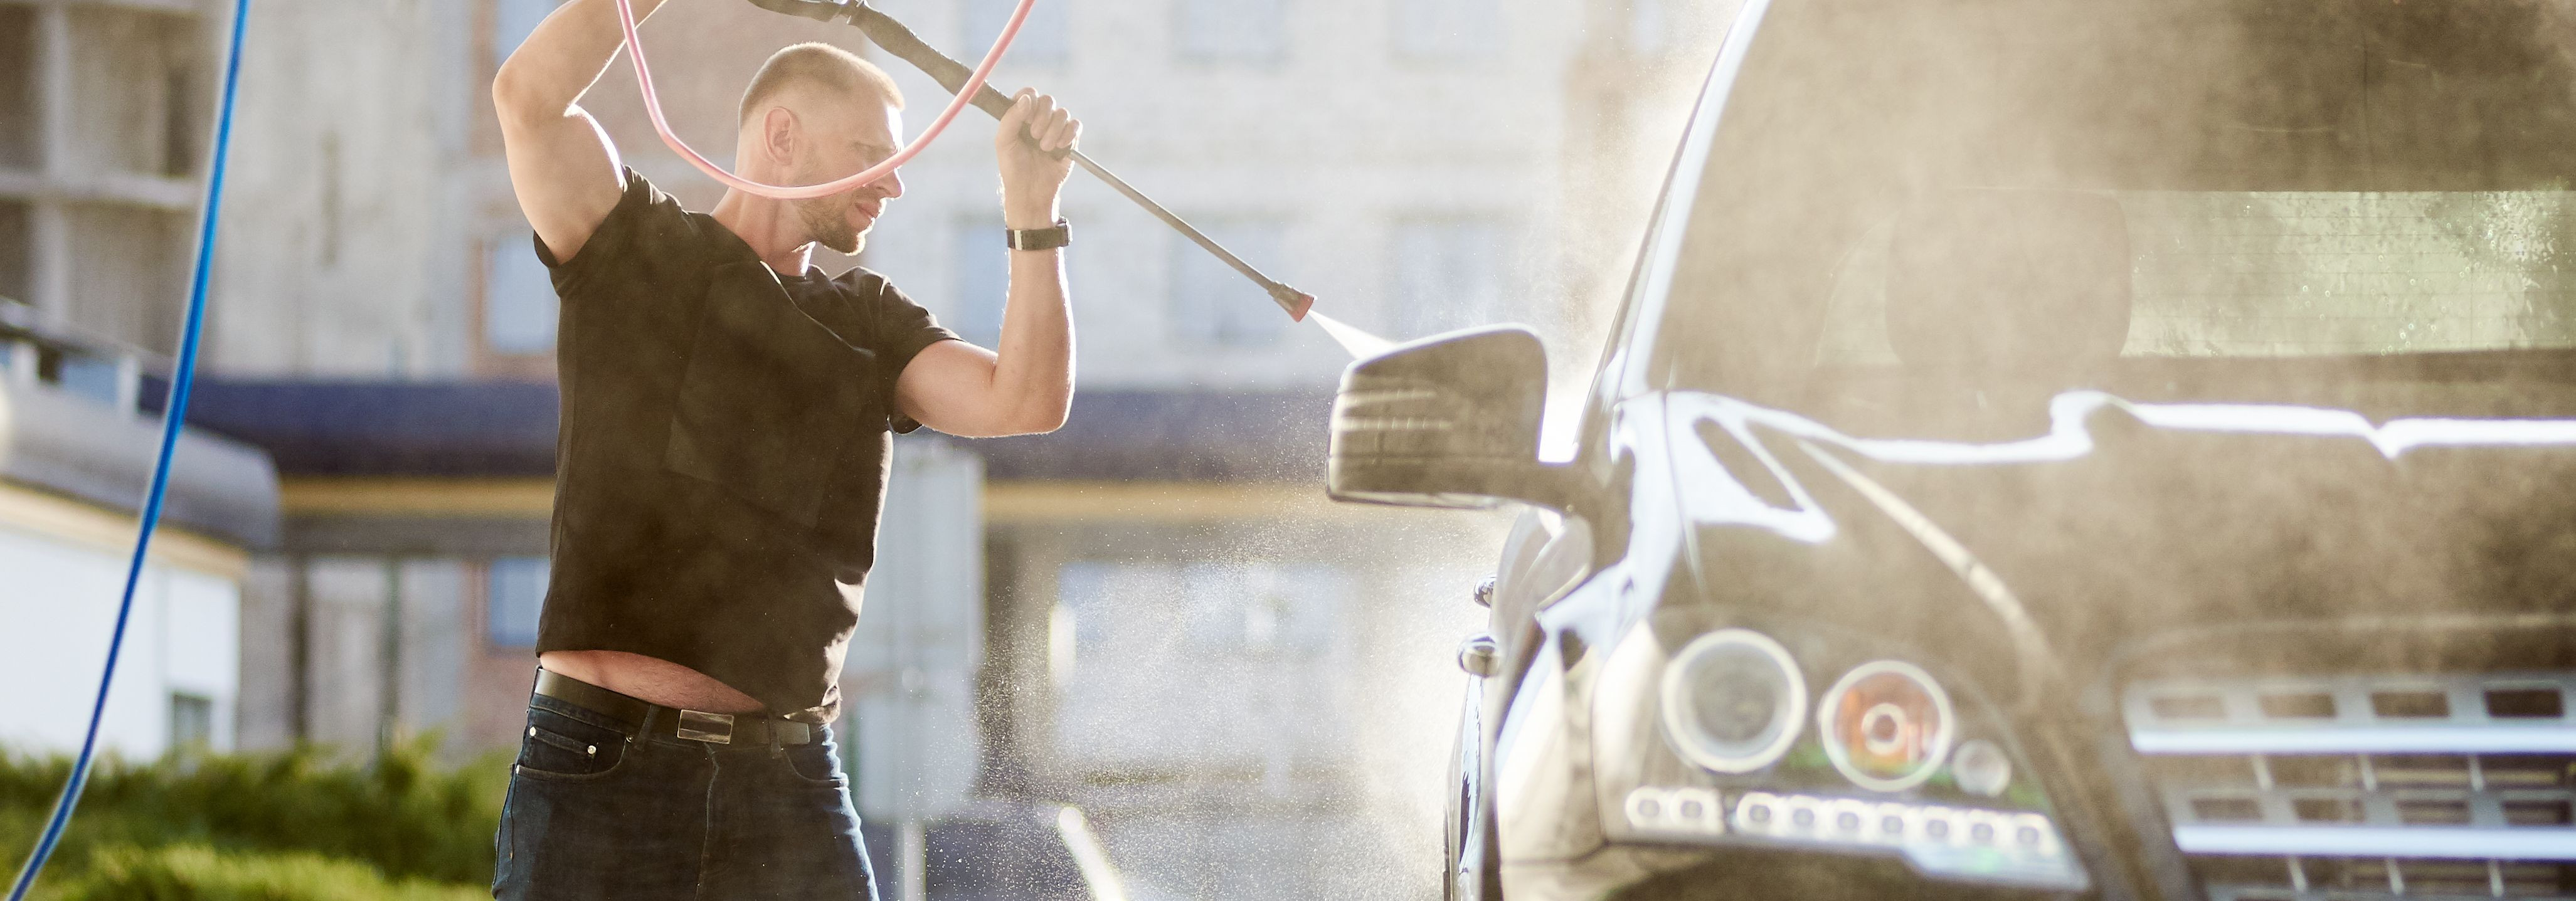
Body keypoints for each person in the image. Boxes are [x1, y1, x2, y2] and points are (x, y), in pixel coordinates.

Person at [487, 0, 1080, 895]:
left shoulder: (873, 323)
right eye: (870, 153)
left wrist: (1033, 212)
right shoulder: (633, 248)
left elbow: (1027, 398)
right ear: (781, 134)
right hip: (602, 763)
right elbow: (528, 100)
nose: (894, 182)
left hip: (789, 781)